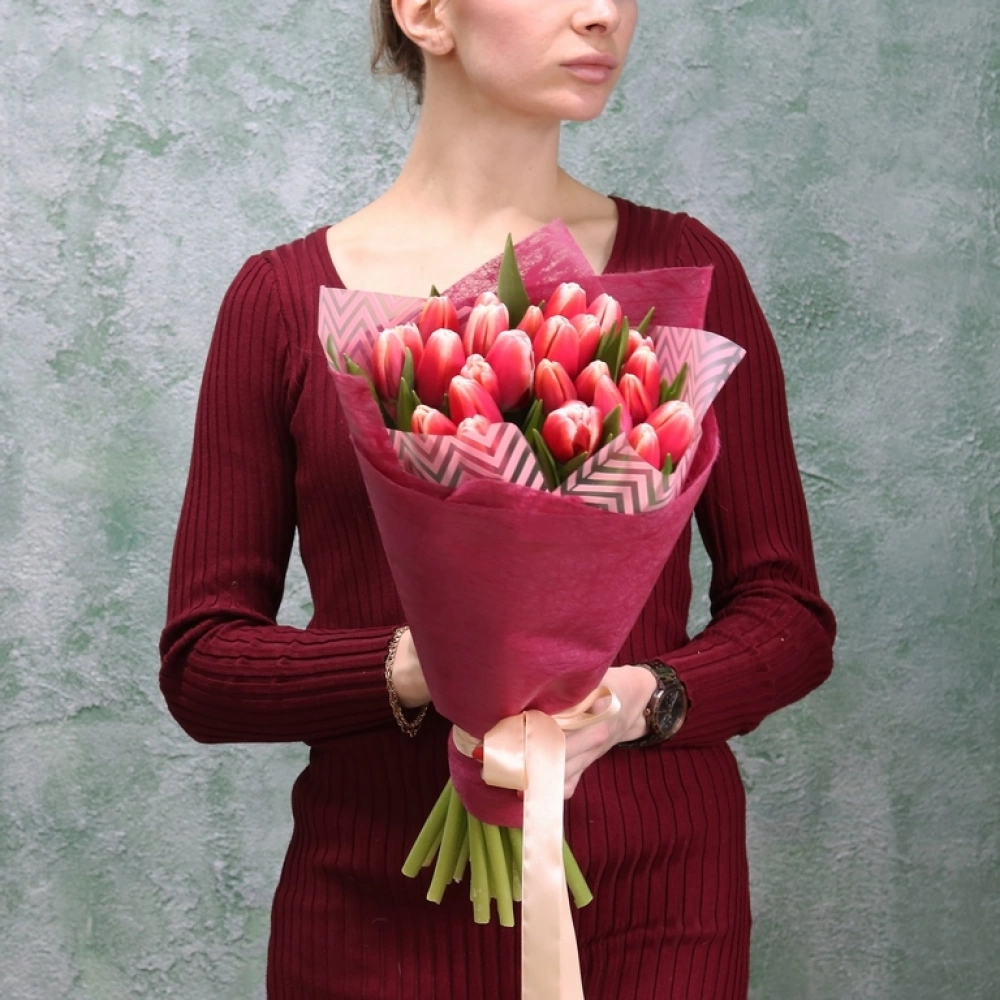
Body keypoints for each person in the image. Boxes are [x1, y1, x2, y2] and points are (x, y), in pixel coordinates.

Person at [159, 1, 836, 997]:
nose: (603, 14)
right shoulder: (281, 302)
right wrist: (429, 664)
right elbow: (205, 662)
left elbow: (789, 616)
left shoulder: (688, 274)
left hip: (659, 908)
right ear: (427, 13)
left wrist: (631, 703)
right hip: (375, 908)